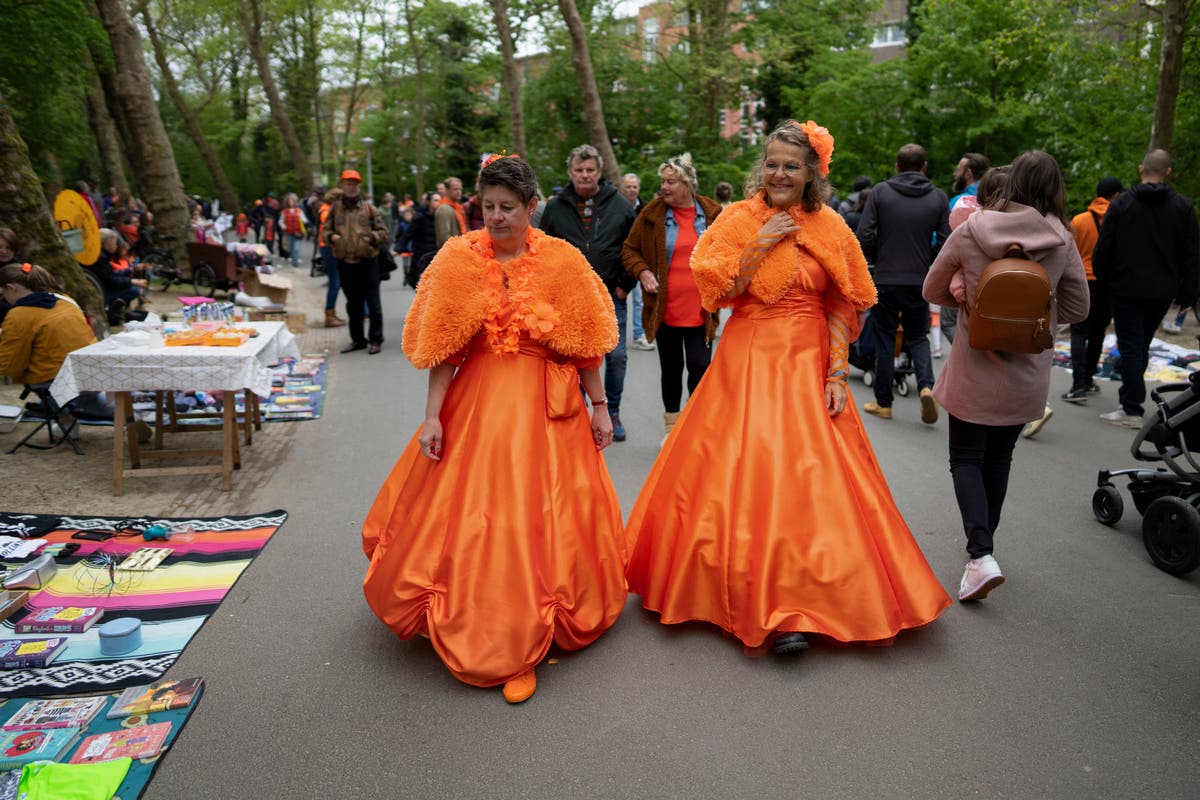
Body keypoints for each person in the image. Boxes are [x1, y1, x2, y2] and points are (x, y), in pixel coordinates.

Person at [624, 120, 951, 656]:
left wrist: (838, 372)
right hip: (746, 361)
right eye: (772, 163)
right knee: (739, 477)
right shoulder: (737, 219)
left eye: (791, 166)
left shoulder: (831, 226)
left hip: (809, 363)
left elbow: (844, 302)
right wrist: (759, 245)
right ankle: (735, 591)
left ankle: (802, 602)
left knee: (809, 483)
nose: (778, 173)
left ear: (811, 173)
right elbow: (717, 292)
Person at [362, 154, 626, 703]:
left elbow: (586, 344)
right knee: (480, 516)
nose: (497, 218)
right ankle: (487, 626)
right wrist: (432, 416)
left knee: (539, 514)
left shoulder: (564, 260)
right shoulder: (458, 257)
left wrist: (601, 406)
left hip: (547, 411)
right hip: (478, 404)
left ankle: (530, 623)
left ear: (533, 207)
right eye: (488, 207)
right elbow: (444, 347)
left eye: (508, 208)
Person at [923, 151, 1090, 601]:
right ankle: (983, 550)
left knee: (965, 459)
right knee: (999, 459)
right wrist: (1034, 315)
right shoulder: (1062, 239)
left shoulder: (973, 229)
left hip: (974, 363)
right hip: (1027, 370)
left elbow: (932, 289)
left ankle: (981, 555)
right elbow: (1078, 308)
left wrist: (973, 306)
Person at [1093, 150, 1200, 428]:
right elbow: (1191, 254)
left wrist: (1103, 281)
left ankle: (1131, 407)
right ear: (1168, 172)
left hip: (1125, 285)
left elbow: (1104, 247)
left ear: (1142, 169)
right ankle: (1130, 401)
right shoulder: (1183, 207)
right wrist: (1188, 293)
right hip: (1162, 289)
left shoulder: (1123, 203)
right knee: (1140, 344)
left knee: (1130, 344)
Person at [539, 144, 638, 441]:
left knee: (616, 357)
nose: (584, 175)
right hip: (569, 298)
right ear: (570, 172)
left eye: (590, 170)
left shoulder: (620, 204)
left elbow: (632, 247)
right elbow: (543, 248)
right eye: (579, 170)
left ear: (599, 172)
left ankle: (613, 411)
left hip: (610, 296)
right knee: (577, 358)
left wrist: (625, 283)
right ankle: (582, 413)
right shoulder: (555, 207)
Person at [622, 154, 722, 443]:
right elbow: (629, 250)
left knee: (700, 366)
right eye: (662, 181)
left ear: (687, 183)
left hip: (701, 309)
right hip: (664, 309)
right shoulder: (652, 214)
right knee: (672, 368)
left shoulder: (713, 213)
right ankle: (671, 428)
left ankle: (694, 424)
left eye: (670, 181)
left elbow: (728, 251)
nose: (663, 187)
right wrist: (642, 272)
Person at [856, 143, 950, 424]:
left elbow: (864, 233)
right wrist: (927, 261)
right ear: (924, 167)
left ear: (897, 166)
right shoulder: (938, 197)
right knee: (918, 335)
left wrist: (876, 257)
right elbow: (947, 239)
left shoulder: (881, 192)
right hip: (919, 279)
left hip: (885, 276)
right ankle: (926, 386)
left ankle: (883, 402)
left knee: (885, 337)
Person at [1062, 177, 1123, 404]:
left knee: (1078, 331)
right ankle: (1087, 379)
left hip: (1083, 281)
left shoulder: (1080, 220)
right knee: (1098, 332)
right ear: (1116, 195)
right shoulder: (1121, 219)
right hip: (1107, 283)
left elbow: (1069, 253)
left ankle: (1078, 385)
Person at [0, 262, 97, 389]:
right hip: (90, 371)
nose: (4, 299)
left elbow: (8, 366)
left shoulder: (19, 314)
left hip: (55, 381)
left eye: (3, 294)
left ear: (11, 288)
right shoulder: (65, 300)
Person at [325, 169, 388, 354]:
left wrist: (373, 238)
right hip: (345, 262)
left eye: (355, 184)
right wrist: (333, 237)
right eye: (348, 183)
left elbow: (384, 232)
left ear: (359, 186)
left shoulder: (369, 208)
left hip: (368, 262)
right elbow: (325, 231)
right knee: (352, 303)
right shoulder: (335, 209)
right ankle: (358, 339)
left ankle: (375, 339)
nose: (351, 187)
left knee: (373, 302)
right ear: (342, 185)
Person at [620, 173, 654, 351]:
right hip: (620, 261)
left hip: (640, 261)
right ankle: (615, 338)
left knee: (640, 299)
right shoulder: (615, 207)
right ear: (622, 188)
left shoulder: (646, 209)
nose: (632, 190)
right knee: (618, 299)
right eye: (628, 187)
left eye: (634, 187)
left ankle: (639, 334)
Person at [317, 188, 346, 328]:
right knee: (335, 282)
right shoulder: (326, 211)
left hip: (329, 247)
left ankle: (332, 314)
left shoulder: (326, 209)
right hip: (329, 248)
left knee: (336, 281)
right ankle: (329, 315)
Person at [434, 177, 465, 248]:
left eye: (460, 189)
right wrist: (461, 247)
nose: (459, 191)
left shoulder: (457, 207)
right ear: (446, 190)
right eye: (455, 189)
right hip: (451, 252)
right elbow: (444, 235)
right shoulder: (444, 209)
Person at [280, 193, 307, 268]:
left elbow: (304, 219)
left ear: (295, 202)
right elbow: (280, 221)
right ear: (287, 202)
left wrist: (303, 221)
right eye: (289, 201)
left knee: (296, 248)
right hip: (288, 232)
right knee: (290, 248)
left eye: (292, 201)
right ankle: (293, 259)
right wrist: (283, 226)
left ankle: (295, 262)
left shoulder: (299, 211)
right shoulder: (284, 211)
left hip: (297, 232)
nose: (291, 203)